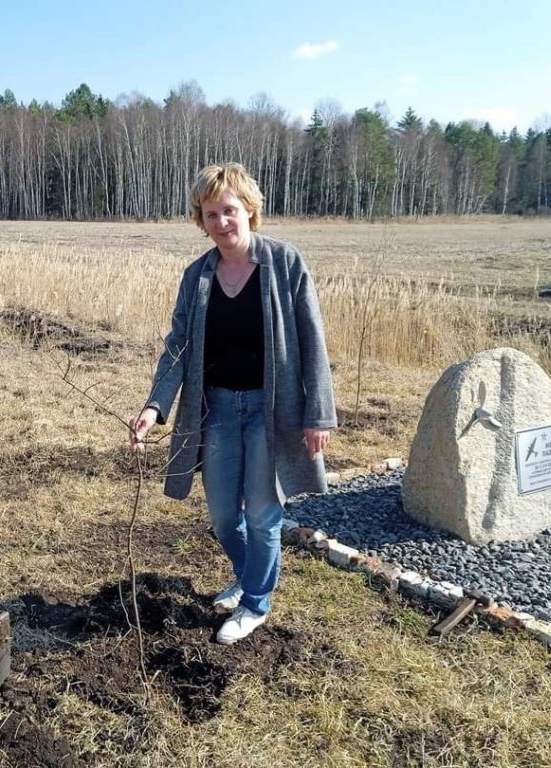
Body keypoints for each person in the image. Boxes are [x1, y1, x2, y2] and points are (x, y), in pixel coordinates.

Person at [129, 163, 336, 645]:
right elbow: (178, 346)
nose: (222, 222)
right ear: (199, 221)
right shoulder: (197, 275)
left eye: (230, 210)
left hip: (272, 410)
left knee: (264, 513)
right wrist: (155, 406)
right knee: (224, 515)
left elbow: (312, 339)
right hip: (216, 410)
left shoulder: (285, 263)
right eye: (211, 214)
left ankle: (255, 604)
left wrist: (318, 413)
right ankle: (249, 577)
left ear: (250, 211)